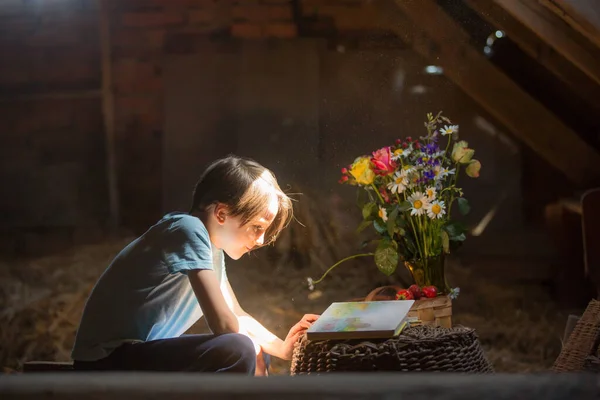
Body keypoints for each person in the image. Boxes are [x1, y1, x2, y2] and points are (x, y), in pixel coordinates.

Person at [71, 155, 319, 375]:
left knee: (251, 347)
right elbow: (223, 324)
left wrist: (281, 349)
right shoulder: (187, 229)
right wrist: (250, 345)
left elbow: (236, 315)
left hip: (133, 356)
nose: (262, 239)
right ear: (221, 214)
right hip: (104, 362)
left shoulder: (211, 248)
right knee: (239, 348)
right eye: (257, 227)